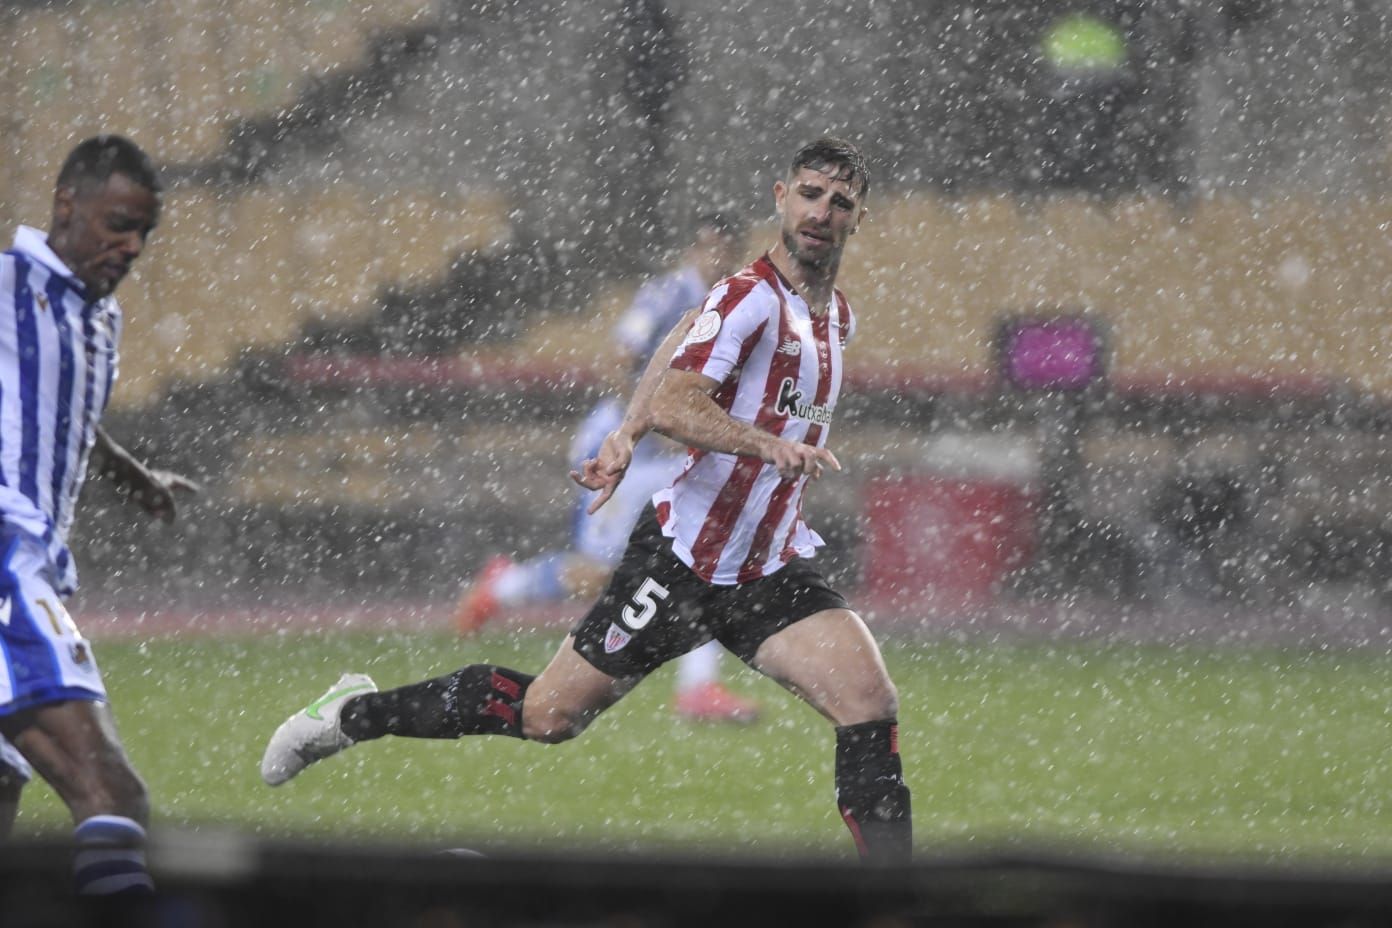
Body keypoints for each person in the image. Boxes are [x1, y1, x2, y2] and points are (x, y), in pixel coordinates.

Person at [262, 138, 912, 862]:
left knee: (868, 704)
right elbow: (677, 396)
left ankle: (894, 896)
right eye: (811, 194)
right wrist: (754, 443)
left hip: (767, 568)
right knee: (547, 715)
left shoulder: (833, 317)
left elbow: (679, 335)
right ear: (781, 197)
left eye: (841, 201)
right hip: (682, 562)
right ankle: (352, 714)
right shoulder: (750, 295)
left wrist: (629, 429)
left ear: (859, 218)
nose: (823, 211)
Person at [452, 212, 761, 724]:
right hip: (626, 448)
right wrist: (644, 426)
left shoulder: (732, 307)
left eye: (726, 251)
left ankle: (699, 690)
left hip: (675, 453)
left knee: (701, 558)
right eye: (709, 248)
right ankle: (503, 587)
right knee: (594, 575)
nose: (717, 259)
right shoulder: (666, 297)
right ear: (693, 249)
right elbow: (618, 360)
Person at [0, 135, 199, 893]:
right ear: (66, 205)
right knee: (113, 797)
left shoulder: (98, 316)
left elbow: (61, 405)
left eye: (143, 232)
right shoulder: (11, 280)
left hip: (33, 555)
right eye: (117, 223)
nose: (132, 245)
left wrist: (125, 471)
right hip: (6, 554)